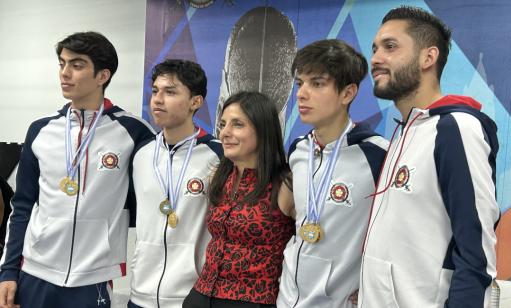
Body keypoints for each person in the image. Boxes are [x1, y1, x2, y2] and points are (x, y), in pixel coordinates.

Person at [0, 31, 155, 308]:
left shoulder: (134, 132)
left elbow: (146, 200)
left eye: (77, 64)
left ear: (102, 75)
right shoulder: (41, 130)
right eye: (62, 63)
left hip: (93, 275)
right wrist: (8, 270)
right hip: (35, 270)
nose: (65, 73)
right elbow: (22, 204)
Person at [359, 6, 499, 308]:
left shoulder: (456, 128)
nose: (376, 59)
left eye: (390, 47)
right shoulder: (404, 131)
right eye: (374, 49)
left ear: (428, 57)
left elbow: (477, 251)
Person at [276, 39, 388, 308]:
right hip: (287, 298)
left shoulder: (378, 155)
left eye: (317, 83)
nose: (301, 94)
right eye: (300, 83)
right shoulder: (299, 149)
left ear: (347, 93)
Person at [182, 91, 295, 308]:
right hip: (201, 295)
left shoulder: (284, 184)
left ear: (263, 130)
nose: (225, 133)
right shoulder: (219, 175)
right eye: (223, 124)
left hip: (252, 300)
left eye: (237, 125)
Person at [128, 59, 222, 308]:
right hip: (140, 294)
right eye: (155, 91)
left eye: (170, 92)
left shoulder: (218, 156)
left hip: (193, 296)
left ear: (195, 102)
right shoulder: (141, 154)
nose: (158, 99)